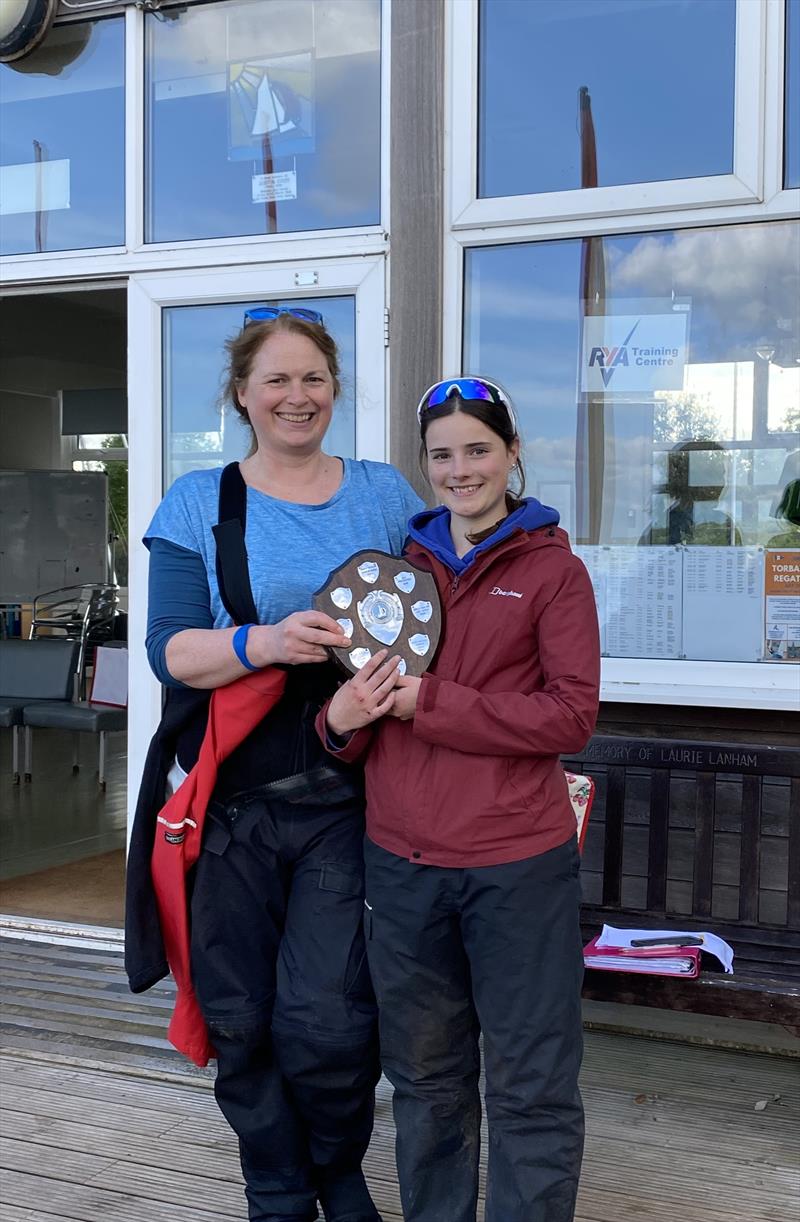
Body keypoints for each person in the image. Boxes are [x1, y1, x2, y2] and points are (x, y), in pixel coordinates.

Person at [133, 305, 423, 1222]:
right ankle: (277, 1184)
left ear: (336, 388)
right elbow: (171, 652)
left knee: (331, 1017)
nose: (297, 397)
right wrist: (263, 641)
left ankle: (337, 1168)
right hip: (232, 799)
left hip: (348, 792)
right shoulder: (198, 500)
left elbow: (436, 619)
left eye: (313, 379)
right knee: (241, 1014)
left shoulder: (383, 492)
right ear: (243, 395)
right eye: (277, 380)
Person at [318, 377, 601, 1222]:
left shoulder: (554, 572)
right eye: (442, 455)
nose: (459, 469)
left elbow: (570, 714)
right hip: (402, 866)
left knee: (531, 1082)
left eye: (477, 450)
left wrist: (429, 702)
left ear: (512, 455)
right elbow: (362, 717)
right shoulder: (397, 574)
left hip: (516, 867)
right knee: (426, 1082)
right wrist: (339, 723)